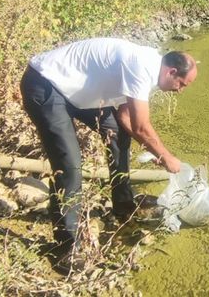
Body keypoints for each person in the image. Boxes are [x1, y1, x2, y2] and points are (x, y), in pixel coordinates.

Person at [20, 37, 197, 272]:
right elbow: (142, 126)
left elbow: (126, 120)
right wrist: (166, 156)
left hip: (77, 94)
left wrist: (154, 151)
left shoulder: (150, 69)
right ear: (172, 72)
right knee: (69, 166)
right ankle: (65, 249)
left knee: (117, 135)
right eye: (182, 84)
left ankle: (123, 205)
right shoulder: (142, 66)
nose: (181, 91)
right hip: (46, 86)